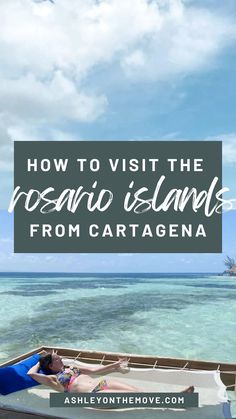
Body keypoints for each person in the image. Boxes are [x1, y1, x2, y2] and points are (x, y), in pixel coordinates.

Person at [27, 350, 194, 394]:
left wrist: (114, 364)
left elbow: (95, 370)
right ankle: (177, 400)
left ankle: (177, 399)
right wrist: (37, 359)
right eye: (57, 358)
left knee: (138, 392)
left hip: (101, 384)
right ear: (49, 365)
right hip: (91, 393)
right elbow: (31, 375)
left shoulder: (71, 368)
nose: (61, 358)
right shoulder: (53, 378)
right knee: (136, 398)